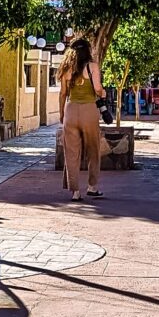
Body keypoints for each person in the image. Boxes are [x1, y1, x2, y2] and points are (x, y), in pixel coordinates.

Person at [55, 39, 107, 201]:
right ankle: (92, 187)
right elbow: (98, 89)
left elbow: (63, 93)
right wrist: (103, 93)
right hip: (89, 111)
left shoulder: (66, 69)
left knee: (71, 153)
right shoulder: (92, 67)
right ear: (87, 50)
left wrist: (62, 113)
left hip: (71, 110)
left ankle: (75, 192)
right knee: (93, 150)